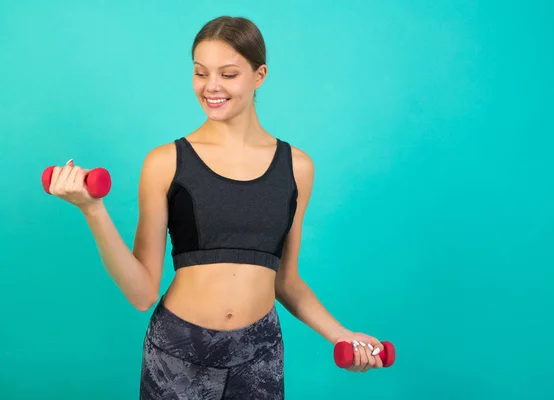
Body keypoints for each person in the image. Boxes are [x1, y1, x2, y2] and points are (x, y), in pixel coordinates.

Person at [47, 16, 386, 399]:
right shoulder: (165, 162)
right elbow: (142, 293)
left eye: (228, 74)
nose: (211, 87)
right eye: (200, 73)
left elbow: (286, 281)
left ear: (259, 75)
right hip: (178, 353)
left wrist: (342, 335)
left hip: (259, 355)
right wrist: (93, 210)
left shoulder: (298, 168)